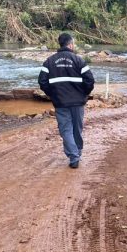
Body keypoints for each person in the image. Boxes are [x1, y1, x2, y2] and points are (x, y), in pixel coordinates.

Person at [38, 33, 95, 168]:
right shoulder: (78, 60)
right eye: (73, 44)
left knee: (66, 130)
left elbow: (42, 82)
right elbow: (90, 80)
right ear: (70, 44)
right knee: (77, 129)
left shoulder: (49, 61)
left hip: (60, 103)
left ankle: (74, 156)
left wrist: (53, 94)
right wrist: (84, 94)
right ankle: (77, 154)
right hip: (77, 103)